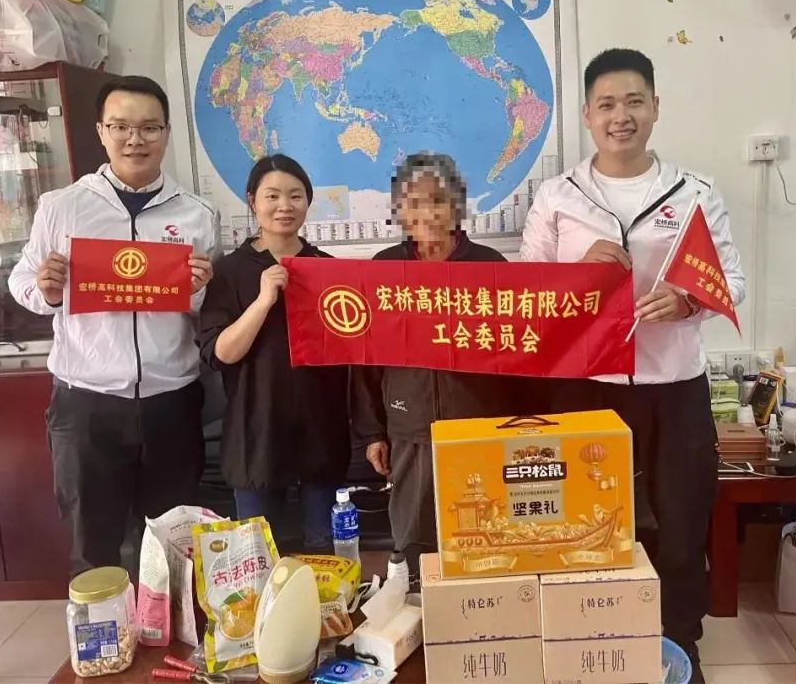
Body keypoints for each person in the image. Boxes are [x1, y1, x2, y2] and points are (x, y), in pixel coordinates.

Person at [520, 49, 745, 682]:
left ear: (655, 108)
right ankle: (590, 638)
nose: (621, 116)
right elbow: (526, 292)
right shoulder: (559, 195)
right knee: (586, 519)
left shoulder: (695, 192)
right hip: (586, 386)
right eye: (607, 105)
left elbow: (732, 281)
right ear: (587, 115)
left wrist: (689, 300)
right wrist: (576, 272)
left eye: (634, 102)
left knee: (680, 518)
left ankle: (680, 641)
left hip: (674, 383)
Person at [8, 75, 220, 576]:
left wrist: (199, 290)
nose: (135, 139)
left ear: (166, 133)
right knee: (92, 544)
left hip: (171, 401)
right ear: (101, 131)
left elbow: (208, 310)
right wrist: (47, 290)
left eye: (149, 127)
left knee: (173, 547)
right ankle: (102, 627)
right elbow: (22, 282)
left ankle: (167, 625)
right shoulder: (62, 207)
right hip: (87, 403)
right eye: (121, 126)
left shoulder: (197, 214)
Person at [351, 152, 532, 580]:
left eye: (438, 200)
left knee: (483, 536)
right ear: (399, 211)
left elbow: (519, 353)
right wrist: (373, 433)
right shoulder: (383, 269)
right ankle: (418, 611)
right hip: (410, 430)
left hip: (481, 428)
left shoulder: (489, 266)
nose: (427, 213)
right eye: (413, 202)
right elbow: (365, 360)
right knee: (414, 543)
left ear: (457, 206)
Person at [199, 155, 349, 553]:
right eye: (273, 196)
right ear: (252, 200)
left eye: (296, 196)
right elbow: (221, 353)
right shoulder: (228, 272)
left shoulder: (328, 270)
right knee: (259, 557)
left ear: (308, 202)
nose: (285, 206)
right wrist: (263, 300)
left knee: (325, 550)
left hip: (320, 430)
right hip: (256, 432)